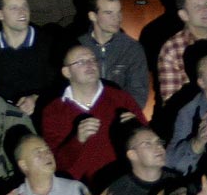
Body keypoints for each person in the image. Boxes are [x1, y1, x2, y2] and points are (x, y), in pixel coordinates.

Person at [40, 43, 146, 186]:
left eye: (93, 60)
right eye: (81, 62)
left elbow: (147, 141)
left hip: (123, 185)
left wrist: (137, 128)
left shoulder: (120, 99)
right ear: (67, 72)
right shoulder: (53, 111)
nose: (90, 65)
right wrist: (77, 140)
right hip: (78, 191)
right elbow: (54, 163)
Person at [0, 0, 57, 114]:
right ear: (0, 14)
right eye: (14, 8)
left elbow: (60, 84)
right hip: (3, 115)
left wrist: (35, 98)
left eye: (25, 6)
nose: (22, 12)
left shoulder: (49, 43)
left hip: (44, 113)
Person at [78, 0, 149, 109]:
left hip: (120, 117)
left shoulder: (132, 49)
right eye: (109, 13)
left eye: (119, 12)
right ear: (93, 16)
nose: (117, 18)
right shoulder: (78, 46)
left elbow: (138, 92)